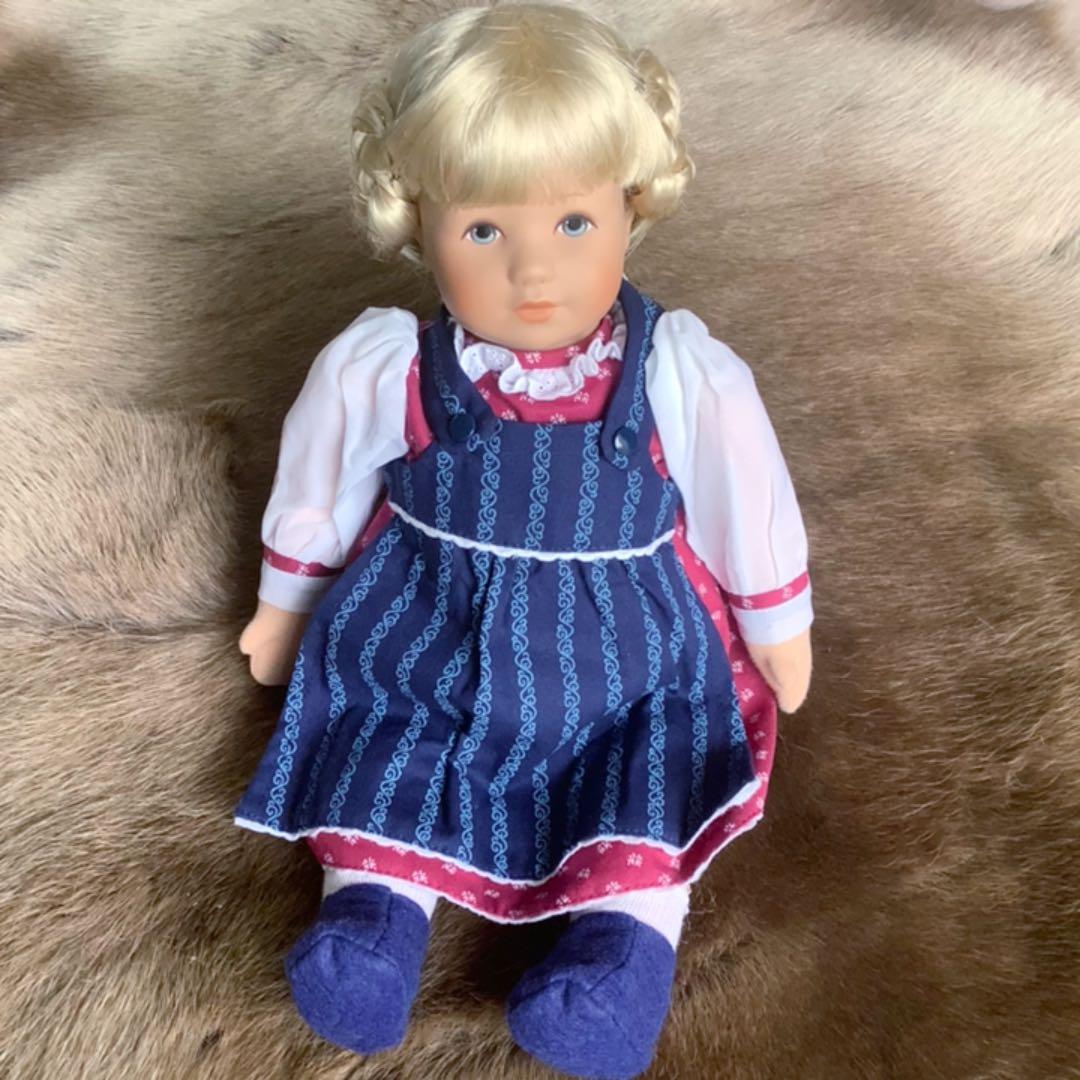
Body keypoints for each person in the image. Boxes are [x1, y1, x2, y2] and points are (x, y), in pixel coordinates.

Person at [234, 6, 813, 1077]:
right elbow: (322, 479)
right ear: (419, 224)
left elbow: (744, 493)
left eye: (574, 223)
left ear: (632, 208)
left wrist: (777, 623)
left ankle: (620, 954)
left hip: (622, 653)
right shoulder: (389, 367)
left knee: (642, 768)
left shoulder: (678, 373)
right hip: (431, 622)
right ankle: (371, 916)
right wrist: (286, 603)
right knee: (389, 738)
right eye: (484, 232)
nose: (533, 272)